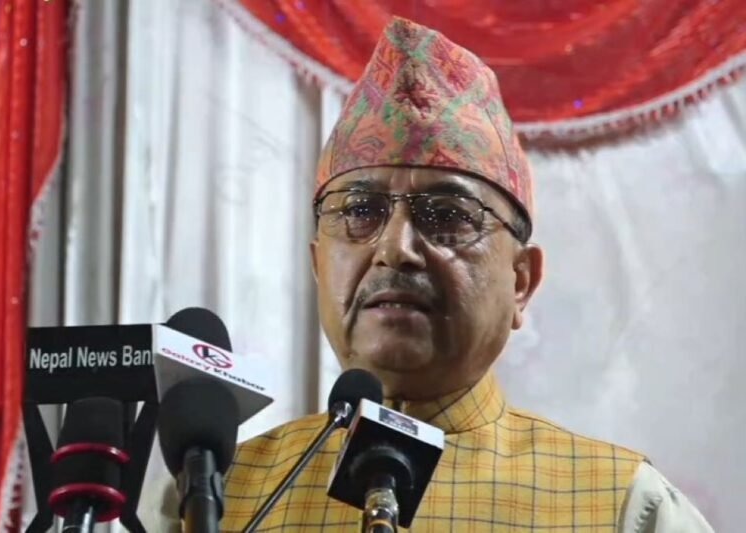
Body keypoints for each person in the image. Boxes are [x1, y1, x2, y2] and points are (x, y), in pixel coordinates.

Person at [143, 17, 713, 532]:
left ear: (521, 281)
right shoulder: (215, 501)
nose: (395, 249)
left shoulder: (620, 505)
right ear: (318, 265)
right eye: (360, 211)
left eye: (446, 216)